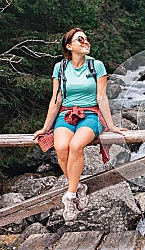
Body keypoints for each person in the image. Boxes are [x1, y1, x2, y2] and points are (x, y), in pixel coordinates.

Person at [33, 27, 126, 222]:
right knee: (61, 148)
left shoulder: (96, 66)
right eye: (80, 39)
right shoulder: (60, 68)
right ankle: (78, 186)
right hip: (65, 115)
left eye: (86, 39)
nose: (85, 42)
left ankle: (70, 196)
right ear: (69, 46)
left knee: (76, 146)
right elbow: (56, 100)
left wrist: (112, 126)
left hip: (90, 114)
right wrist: (45, 128)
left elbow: (101, 97)